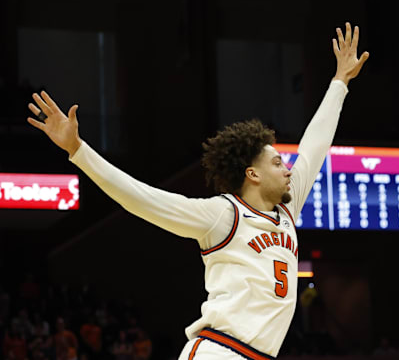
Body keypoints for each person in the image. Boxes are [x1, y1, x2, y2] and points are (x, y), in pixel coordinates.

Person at [27, 22, 369, 360]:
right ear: (252, 173)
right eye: (278, 163)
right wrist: (78, 150)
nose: (289, 168)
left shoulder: (287, 212)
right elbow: (141, 198)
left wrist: (340, 82)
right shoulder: (223, 215)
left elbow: (315, 146)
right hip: (219, 352)